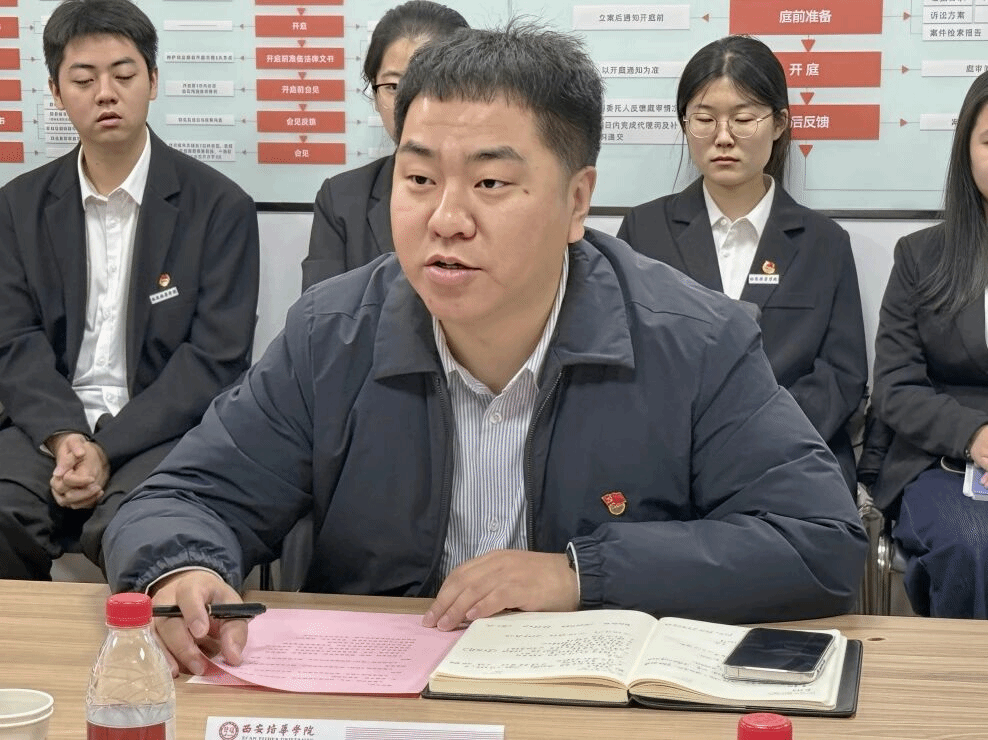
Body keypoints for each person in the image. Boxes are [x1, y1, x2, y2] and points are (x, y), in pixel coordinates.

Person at [103, 24, 867, 677]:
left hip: (585, 701)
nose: (446, 218)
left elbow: (820, 541)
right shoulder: (330, 336)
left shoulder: (693, 341)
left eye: (491, 182)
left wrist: (581, 575)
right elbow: (181, 499)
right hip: (374, 695)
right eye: (417, 177)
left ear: (576, 201)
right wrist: (182, 568)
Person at [0, 0, 259, 580]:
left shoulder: (221, 208)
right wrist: (67, 439)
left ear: (153, 81)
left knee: (146, 530)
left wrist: (106, 448)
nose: (106, 94)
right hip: (48, 428)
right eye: (83, 80)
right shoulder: (16, 208)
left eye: (123, 74)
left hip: (161, 430)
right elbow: (14, 342)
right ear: (55, 91)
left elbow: (215, 360)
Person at [617, 36, 867, 495]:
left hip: (792, 458)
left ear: (779, 123)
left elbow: (842, 375)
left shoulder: (824, 242)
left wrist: (759, 436)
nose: (723, 137)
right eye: (704, 119)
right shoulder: (644, 231)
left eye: (744, 118)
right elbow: (622, 357)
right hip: (670, 462)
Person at [868, 70, 988, 618]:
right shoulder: (921, 257)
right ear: (966, 151)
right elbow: (895, 388)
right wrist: (975, 435)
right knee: (973, 546)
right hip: (943, 462)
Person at [300, 1, 468, 289]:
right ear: (375, 95)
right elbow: (321, 313)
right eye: (393, 87)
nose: (408, 104)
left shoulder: (506, 191)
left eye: (430, 84)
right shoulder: (341, 200)